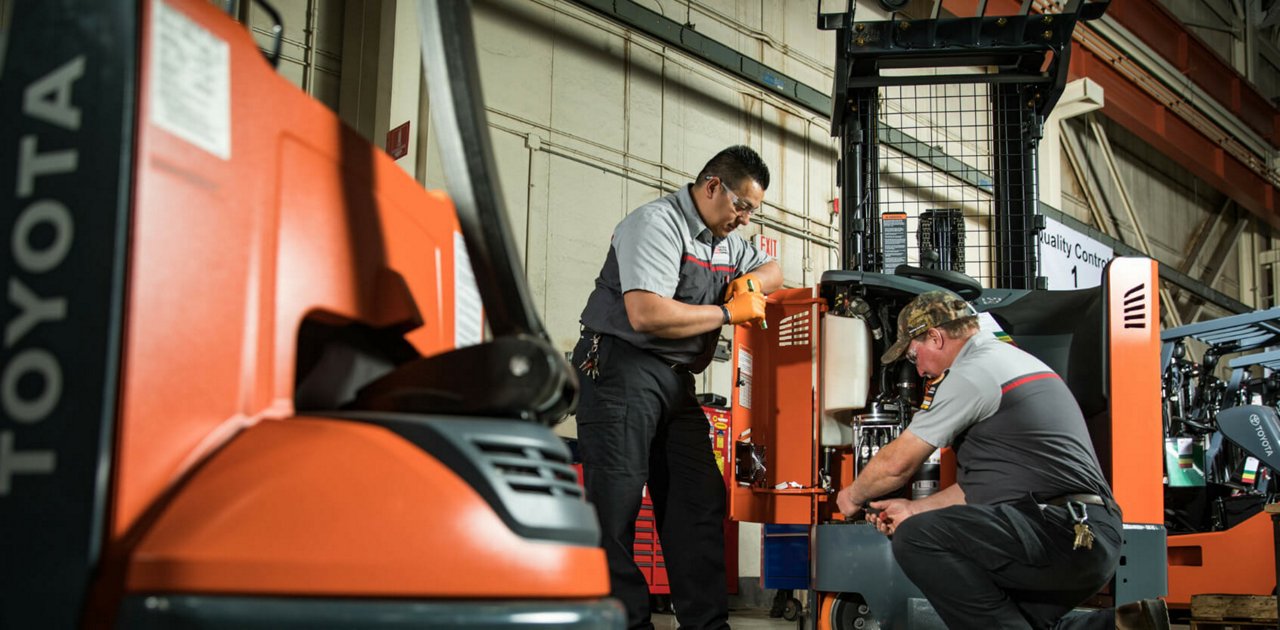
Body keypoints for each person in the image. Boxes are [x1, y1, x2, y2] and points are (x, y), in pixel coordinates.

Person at [573, 145, 782, 630]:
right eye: (742, 206)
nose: (746, 219)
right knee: (616, 507)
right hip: (621, 368)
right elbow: (646, 313)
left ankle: (707, 625)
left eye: (753, 210)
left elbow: (774, 270)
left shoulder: (725, 240)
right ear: (712, 186)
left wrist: (750, 285)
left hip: (673, 381)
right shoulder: (655, 224)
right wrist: (730, 312)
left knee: (698, 500)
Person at [834, 290, 1122, 629]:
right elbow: (977, 490)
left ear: (936, 337)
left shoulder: (973, 372)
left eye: (915, 356)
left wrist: (851, 496)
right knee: (1012, 618)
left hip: (1060, 530)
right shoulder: (1007, 360)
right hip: (1086, 531)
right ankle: (1126, 625)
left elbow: (899, 463)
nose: (920, 369)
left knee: (917, 538)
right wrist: (913, 509)